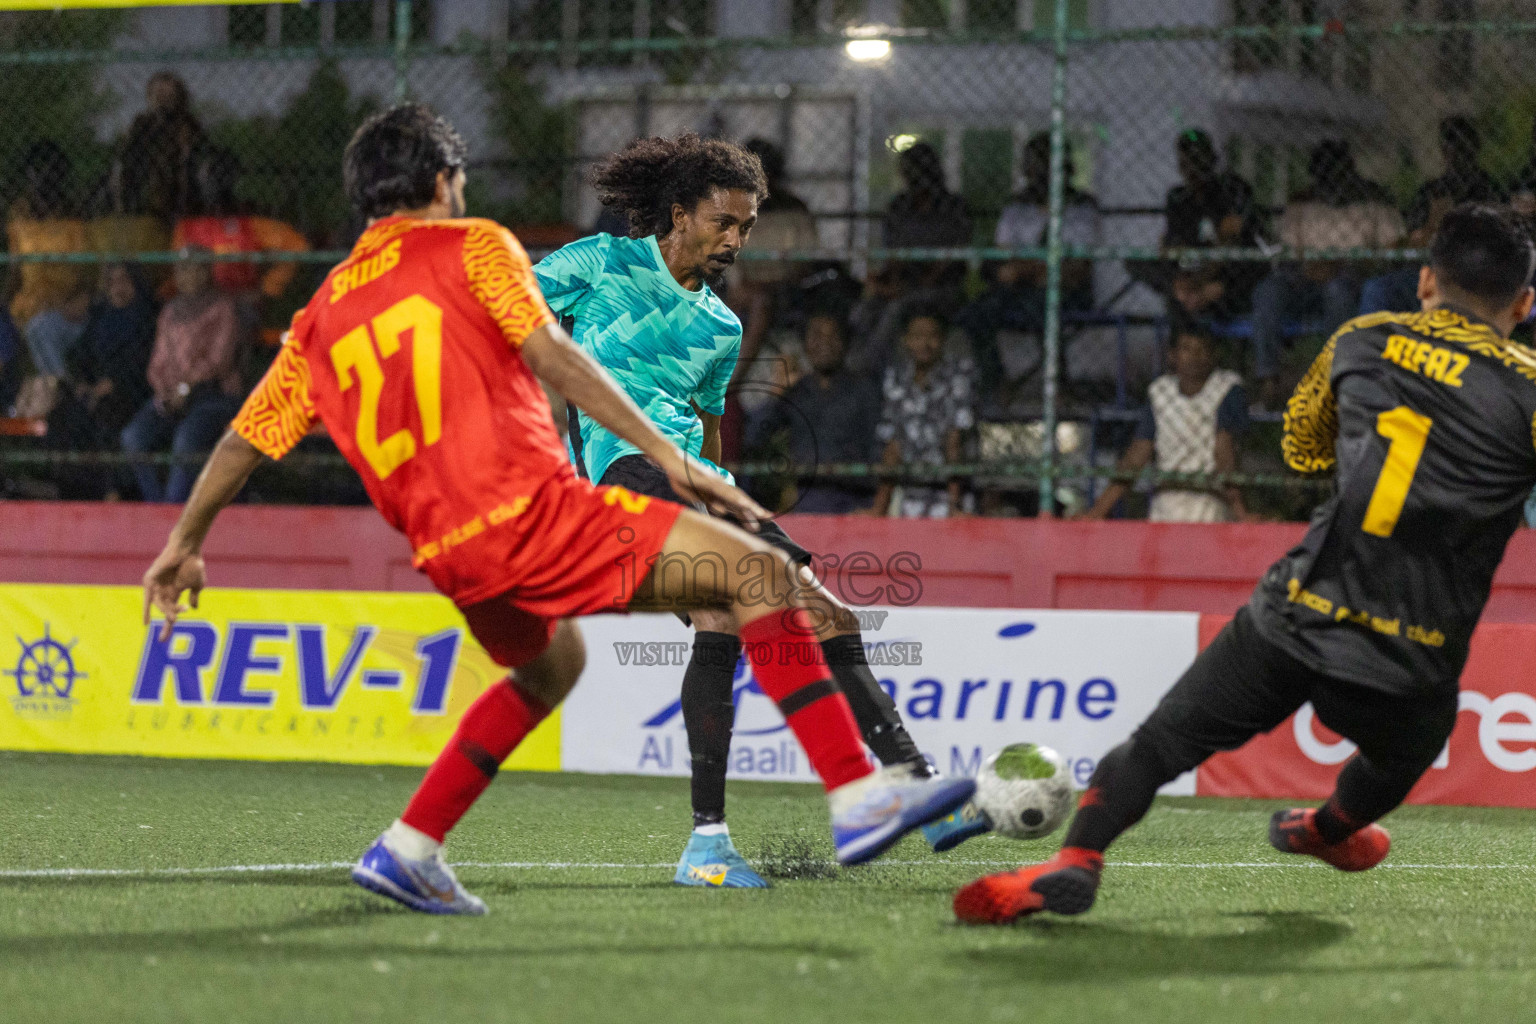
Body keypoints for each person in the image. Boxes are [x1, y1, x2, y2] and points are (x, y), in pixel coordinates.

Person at [141, 105, 972, 916]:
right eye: (458, 181)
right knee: (756, 574)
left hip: (448, 555)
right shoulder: (475, 247)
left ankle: (409, 847)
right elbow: (552, 353)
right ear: (442, 180)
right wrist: (678, 460)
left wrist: (183, 543)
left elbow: (244, 439)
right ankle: (861, 794)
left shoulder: (322, 314)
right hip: (529, 512)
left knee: (553, 666)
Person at [954, 204, 1536, 924]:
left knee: (1158, 744)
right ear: (1524, 303)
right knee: (1403, 756)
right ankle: (1325, 829)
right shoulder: (1529, 390)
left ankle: (1076, 860)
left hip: (1300, 610)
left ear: (1424, 282)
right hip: (1410, 648)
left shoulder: (1364, 339)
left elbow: (1301, 449)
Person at [535, 133, 974, 890]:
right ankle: (744, 834)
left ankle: (902, 788)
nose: (736, 241)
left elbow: (705, 431)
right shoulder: (601, 262)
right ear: (678, 214)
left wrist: (732, 497)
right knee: (724, 612)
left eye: (746, 227)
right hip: (625, 475)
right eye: (722, 223)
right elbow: (510, 319)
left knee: (832, 617)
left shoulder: (723, 327)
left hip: (697, 478)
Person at [1250, 140, 1403, 406]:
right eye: (1325, 174)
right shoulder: (1303, 202)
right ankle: (1269, 381)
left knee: (1338, 291)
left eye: (1337, 172)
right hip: (1305, 277)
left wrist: (1346, 265)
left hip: (1351, 278)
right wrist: (1308, 267)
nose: (1331, 182)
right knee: (1268, 290)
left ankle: (1334, 380)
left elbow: (1392, 250)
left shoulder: (1372, 200)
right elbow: (1286, 252)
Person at [959, 133, 1100, 407]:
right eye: (1034, 167)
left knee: (1045, 303)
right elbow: (1003, 259)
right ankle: (997, 381)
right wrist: (1033, 269)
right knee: (975, 313)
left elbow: (1075, 268)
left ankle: (1059, 384)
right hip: (1019, 289)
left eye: (1046, 166)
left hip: (1068, 290)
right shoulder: (1018, 207)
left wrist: (1028, 268)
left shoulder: (1082, 207)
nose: (1039, 174)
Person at [1080, 324, 1249, 522]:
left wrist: (1239, 509)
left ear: (1213, 356)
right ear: (1172, 355)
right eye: (1186, 349)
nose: (1195, 356)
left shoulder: (1227, 388)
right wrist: (1098, 511)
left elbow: (1224, 450)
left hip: (1211, 499)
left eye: (1202, 349)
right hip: (1165, 499)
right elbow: (1138, 453)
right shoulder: (1160, 391)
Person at [120, 247, 246, 503]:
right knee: (133, 437)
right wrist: (165, 389)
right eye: (180, 269)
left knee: (186, 440)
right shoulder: (170, 311)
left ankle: (175, 509)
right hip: (172, 396)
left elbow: (218, 361)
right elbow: (158, 362)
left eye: (192, 269)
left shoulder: (223, 308)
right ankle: (158, 507)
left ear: (206, 272)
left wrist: (184, 388)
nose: (184, 275)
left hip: (212, 395)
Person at [1358, 116, 1502, 317]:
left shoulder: (1490, 190)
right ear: (1443, 150)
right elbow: (1412, 241)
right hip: (1428, 271)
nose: (1456, 151)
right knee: (1377, 288)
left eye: (1462, 143)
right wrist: (1434, 224)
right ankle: (1369, 348)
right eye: (1450, 143)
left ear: (1474, 146)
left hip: (1473, 276)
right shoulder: (1432, 191)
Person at [748, 312, 881, 514]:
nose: (825, 344)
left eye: (833, 336)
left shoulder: (864, 391)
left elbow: (877, 449)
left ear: (845, 342)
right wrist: (776, 393)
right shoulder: (796, 392)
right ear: (805, 344)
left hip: (853, 503)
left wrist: (872, 506)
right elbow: (754, 437)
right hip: (805, 502)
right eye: (817, 336)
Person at [1146, 129, 1266, 322]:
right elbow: (1174, 243)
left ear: (1211, 160)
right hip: (1191, 265)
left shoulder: (1232, 188)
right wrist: (1181, 280)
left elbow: (1233, 238)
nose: (1192, 169)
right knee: (1144, 263)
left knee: (1246, 259)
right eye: (1186, 162)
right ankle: (1185, 306)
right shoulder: (1178, 197)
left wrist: (1206, 282)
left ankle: (1201, 303)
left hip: (1227, 273)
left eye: (1197, 160)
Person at [870, 306, 976, 519]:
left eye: (932, 336)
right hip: (908, 494)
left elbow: (955, 441)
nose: (925, 344)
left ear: (943, 340)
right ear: (905, 340)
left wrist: (955, 506)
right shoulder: (896, 378)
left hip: (948, 492)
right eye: (917, 336)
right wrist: (879, 507)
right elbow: (893, 443)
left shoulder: (959, 376)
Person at [117, 71, 205, 222]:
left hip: (176, 167)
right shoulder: (142, 122)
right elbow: (128, 148)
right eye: (159, 93)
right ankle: (127, 213)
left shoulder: (186, 122)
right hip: (145, 166)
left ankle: (186, 215)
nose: (163, 98)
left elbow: (194, 147)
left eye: (168, 94)